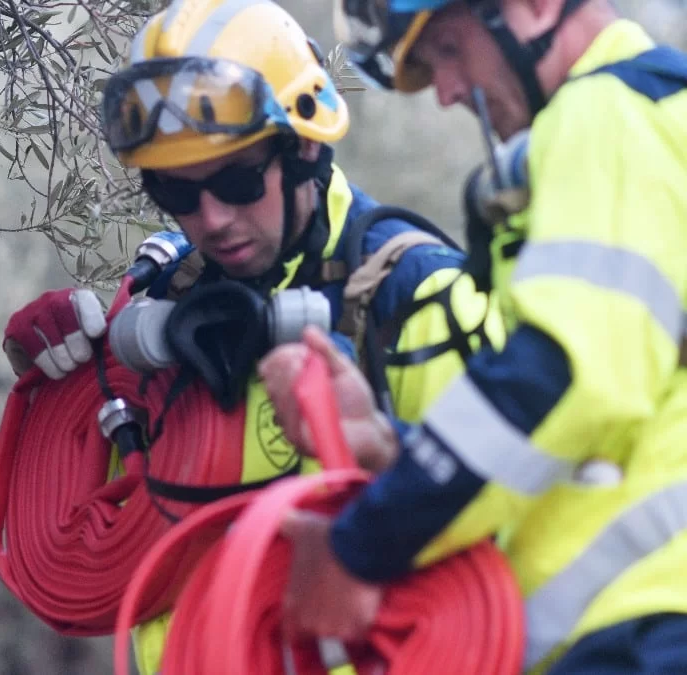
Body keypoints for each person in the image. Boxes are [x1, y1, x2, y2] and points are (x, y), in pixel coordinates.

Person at [0, 1, 503, 672]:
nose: (212, 218)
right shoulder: (164, 302)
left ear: (305, 147)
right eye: (175, 192)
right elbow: (126, 523)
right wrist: (67, 386)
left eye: (237, 179)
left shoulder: (416, 299)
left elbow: (490, 542)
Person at [269, 1, 687, 673]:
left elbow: (564, 374)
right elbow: (596, 432)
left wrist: (362, 542)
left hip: (648, 636)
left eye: (450, 49)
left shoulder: (611, 112)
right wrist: (389, 444)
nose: (447, 92)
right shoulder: (658, 118)